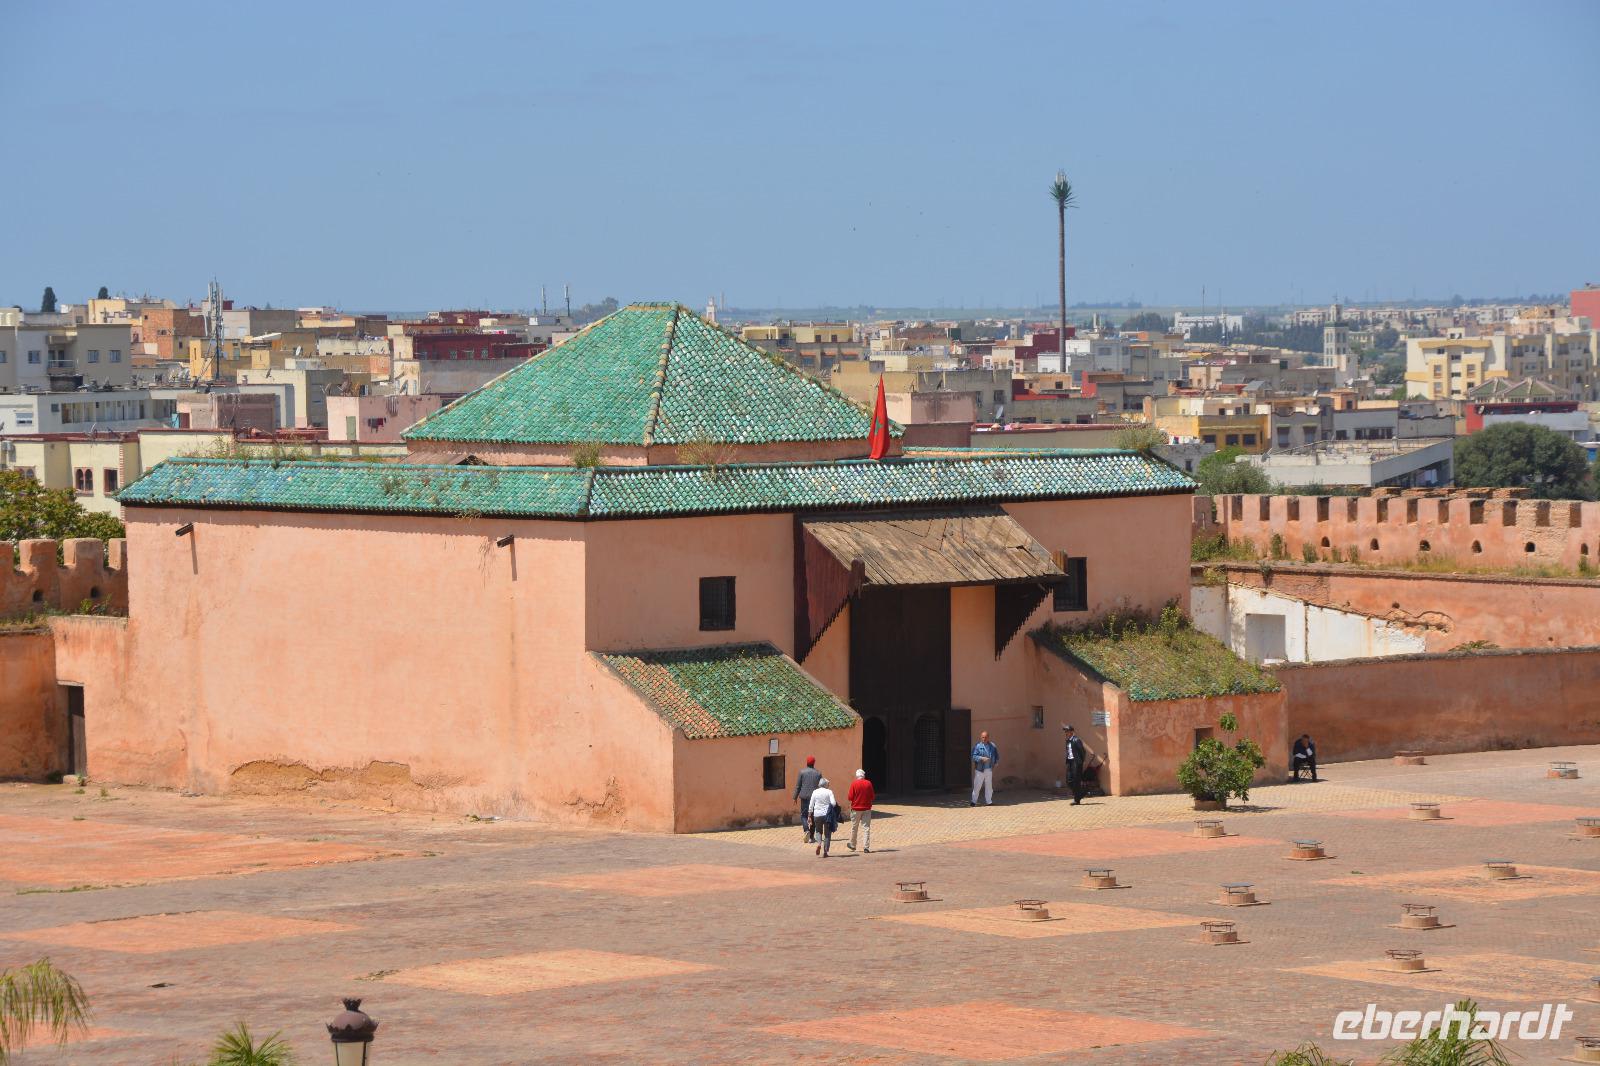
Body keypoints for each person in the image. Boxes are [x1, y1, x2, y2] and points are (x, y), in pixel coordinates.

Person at [846, 768, 875, 853]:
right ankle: (866, 847)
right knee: (866, 828)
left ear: (857, 776)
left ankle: (853, 845)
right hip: (866, 808)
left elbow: (850, 797)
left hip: (856, 808)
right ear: (864, 776)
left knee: (854, 827)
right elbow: (872, 796)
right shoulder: (868, 783)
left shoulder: (854, 784)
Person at [794, 756, 821, 842]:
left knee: (804, 815)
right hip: (815, 798)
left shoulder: (802, 772)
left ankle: (806, 830)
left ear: (807, 762)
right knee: (813, 816)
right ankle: (812, 837)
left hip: (804, 797)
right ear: (814, 763)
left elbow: (798, 786)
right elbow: (821, 786)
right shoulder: (818, 773)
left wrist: (795, 797)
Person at [810, 777, 837, 857]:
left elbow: (811, 804)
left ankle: (819, 843)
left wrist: (809, 815)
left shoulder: (815, 792)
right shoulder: (829, 792)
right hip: (827, 815)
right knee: (827, 833)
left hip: (817, 814)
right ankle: (825, 851)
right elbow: (833, 803)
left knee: (818, 831)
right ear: (825, 784)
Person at [970, 731, 999, 806]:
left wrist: (996, 762)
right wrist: (981, 758)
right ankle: (973, 801)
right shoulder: (977, 746)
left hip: (989, 769)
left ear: (988, 738)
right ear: (980, 737)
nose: (984, 739)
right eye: (983, 737)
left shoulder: (992, 746)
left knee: (989, 786)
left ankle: (989, 801)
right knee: (977, 786)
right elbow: (973, 756)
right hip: (980, 769)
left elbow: (996, 755)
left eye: (985, 737)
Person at [1063, 724, 1088, 805]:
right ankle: (1081, 793)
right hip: (1070, 762)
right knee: (1069, 780)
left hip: (1076, 763)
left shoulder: (1076, 740)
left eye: (1067, 731)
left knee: (1076, 781)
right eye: (1065, 731)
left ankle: (1076, 800)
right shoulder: (1067, 740)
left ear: (1071, 732)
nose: (1066, 732)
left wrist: (1080, 761)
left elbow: (1083, 752)